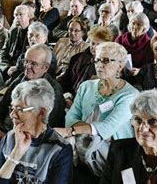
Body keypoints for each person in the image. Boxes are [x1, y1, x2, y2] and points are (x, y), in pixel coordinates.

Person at [57, 42, 139, 183]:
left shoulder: (130, 95)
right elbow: (71, 116)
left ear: (120, 65)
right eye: (97, 60)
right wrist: (84, 131)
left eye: (106, 60)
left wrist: (72, 131)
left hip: (113, 155)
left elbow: (107, 128)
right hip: (81, 147)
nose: (100, 64)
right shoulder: (86, 86)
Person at [0, 79, 72, 183]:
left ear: (41, 112)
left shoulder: (59, 149)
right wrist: (16, 153)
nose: (12, 115)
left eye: (19, 109)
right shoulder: (9, 138)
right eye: (12, 108)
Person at [0, 44, 66, 147]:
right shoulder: (21, 78)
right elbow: (2, 106)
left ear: (45, 67)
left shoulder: (53, 90)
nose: (27, 66)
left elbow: (44, 127)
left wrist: (11, 138)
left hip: (28, 142)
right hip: (5, 134)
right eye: (26, 61)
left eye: (33, 64)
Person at [59, 27, 113, 103]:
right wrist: (67, 96)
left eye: (98, 45)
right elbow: (66, 80)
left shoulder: (108, 65)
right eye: (93, 43)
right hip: (70, 98)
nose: (94, 47)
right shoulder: (77, 58)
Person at [0, 5, 33, 77]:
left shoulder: (33, 32)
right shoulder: (13, 31)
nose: (17, 17)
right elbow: (3, 52)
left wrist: (17, 67)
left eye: (21, 14)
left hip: (23, 68)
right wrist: (6, 67)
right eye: (16, 15)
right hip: (9, 66)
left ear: (28, 16)